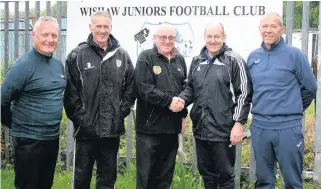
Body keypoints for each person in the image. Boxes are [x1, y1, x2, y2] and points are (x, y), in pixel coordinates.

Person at [63, 11, 135, 189]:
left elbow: (131, 88)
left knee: (107, 179)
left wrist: (119, 113)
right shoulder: (77, 55)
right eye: (98, 26)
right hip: (86, 131)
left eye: (106, 26)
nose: (102, 30)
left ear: (111, 27)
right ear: (91, 27)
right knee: (81, 179)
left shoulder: (122, 56)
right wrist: (83, 120)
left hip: (111, 131)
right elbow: (70, 94)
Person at [247, 12, 318, 188]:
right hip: (260, 126)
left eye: (273, 26)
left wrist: (292, 107)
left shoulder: (295, 55)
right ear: (259, 29)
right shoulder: (253, 57)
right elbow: (250, 91)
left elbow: (310, 87)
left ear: (282, 29)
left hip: (288, 127)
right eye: (265, 26)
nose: (268, 30)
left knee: (293, 181)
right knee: (264, 181)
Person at [178, 22, 252, 188]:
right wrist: (182, 100)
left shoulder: (234, 60)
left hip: (223, 131)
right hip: (201, 129)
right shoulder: (197, 61)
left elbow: (244, 94)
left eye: (216, 36)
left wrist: (238, 124)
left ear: (224, 37)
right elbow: (190, 88)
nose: (213, 40)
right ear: (204, 38)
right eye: (209, 36)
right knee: (207, 176)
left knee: (225, 177)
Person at [1, 16, 65, 189]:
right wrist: (17, 125)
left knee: (46, 185)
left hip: (52, 139)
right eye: (45, 35)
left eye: (54, 35)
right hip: (28, 142)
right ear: (33, 35)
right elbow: (2, 102)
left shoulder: (58, 66)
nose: (50, 39)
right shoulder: (22, 67)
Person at [134, 23, 188, 189]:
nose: (167, 41)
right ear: (154, 38)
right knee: (146, 177)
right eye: (163, 37)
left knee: (165, 178)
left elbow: (185, 88)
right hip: (149, 130)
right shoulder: (146, 57)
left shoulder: (180, 59)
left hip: (171, 129)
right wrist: (169, 101)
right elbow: (145, 89)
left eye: (171, 37)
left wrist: (183, 114)